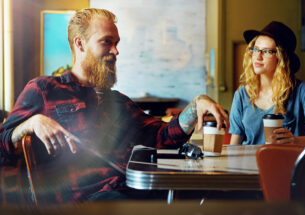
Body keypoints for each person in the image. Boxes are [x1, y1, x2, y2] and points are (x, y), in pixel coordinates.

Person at [0, 8, 229, 202]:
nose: (116, 51)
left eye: (116, 43)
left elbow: (162, 136)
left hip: (129, 191)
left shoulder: (117, 101)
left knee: (217, 194)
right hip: (85, 202)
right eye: (106, 42)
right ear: (80, 44)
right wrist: (30, 124)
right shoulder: (44, 89)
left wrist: (196, 104)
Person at [229, 21, 305, 145]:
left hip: (287, 163)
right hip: (246, 164)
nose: (257, 56)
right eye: (255, 49)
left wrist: (296, 140)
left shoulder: (301, 90)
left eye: (267, 51)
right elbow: (234, 147)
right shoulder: (241, 94)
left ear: (281, 58)